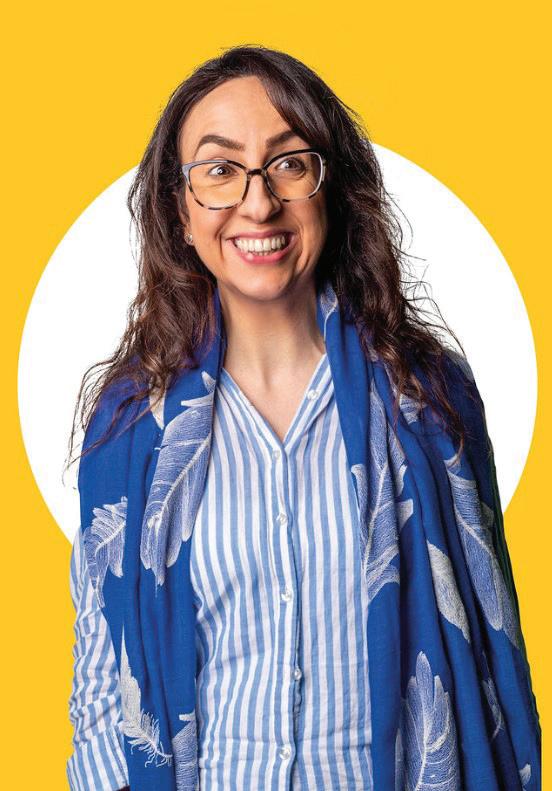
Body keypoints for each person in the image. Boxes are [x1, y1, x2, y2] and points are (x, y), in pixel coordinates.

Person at [66, 45, 541, 791]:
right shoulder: (131, 425)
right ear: (180, 211)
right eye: (219, 170)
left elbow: (488, 645)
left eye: (288, 163)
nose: (258, 204)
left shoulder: (429, 398)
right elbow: (101, 684)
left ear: (332, 190)